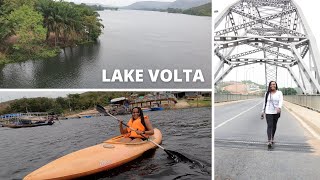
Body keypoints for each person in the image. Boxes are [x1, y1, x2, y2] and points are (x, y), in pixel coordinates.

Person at [261, 81, 283, 148]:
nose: (273, 85)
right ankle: (269, 140)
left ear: (276, 85)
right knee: (269, 125)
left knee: (274, 125)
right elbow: (264, 102)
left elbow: (281, 100)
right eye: (271, 84)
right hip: (268, 111)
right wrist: (262, 111)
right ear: (269, 86)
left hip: (276, 111)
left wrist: (279, 107)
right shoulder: (267, 93)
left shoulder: (279, 92)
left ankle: (272, 137)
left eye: (274, 84)